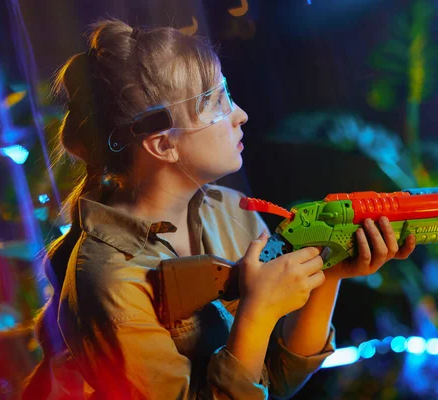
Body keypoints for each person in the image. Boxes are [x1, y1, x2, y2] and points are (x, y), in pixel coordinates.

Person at [22, 18, 416, 399]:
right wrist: (257, 313)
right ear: (163, 145)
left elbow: (277, 380)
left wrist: (331, 272)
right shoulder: (107, 282)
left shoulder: (231, 210)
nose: (240, 115)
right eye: (216, 102)